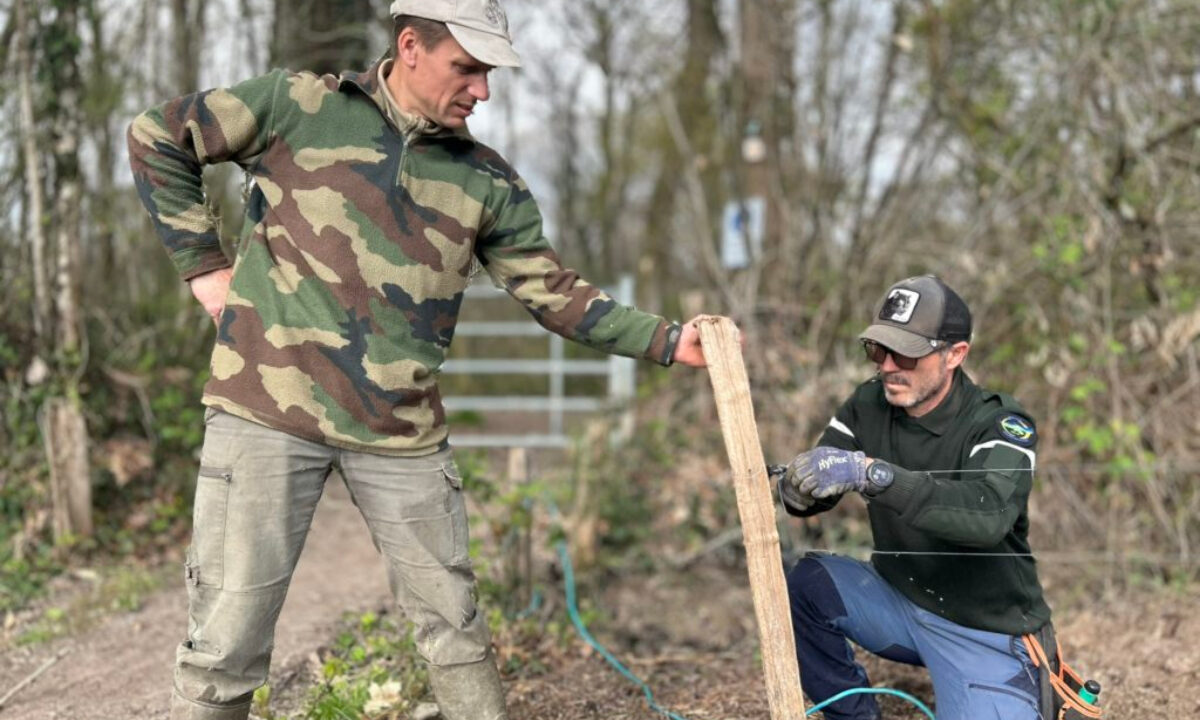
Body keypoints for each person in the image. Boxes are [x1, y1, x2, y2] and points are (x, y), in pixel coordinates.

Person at [127, 2, 716, 718]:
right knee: (226, 643)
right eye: (466, 68)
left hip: (401, 433)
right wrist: (203, 267)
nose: (483, 91)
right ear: (410, 46)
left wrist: (667, 339)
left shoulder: (487, 182)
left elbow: (553, 293)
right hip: (265, 413)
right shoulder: (299, 106)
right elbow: (158, 134)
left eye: (489, 72)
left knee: (456, 631)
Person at [776, 275, 1051, 720]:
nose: (886, 366)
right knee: (807, 584)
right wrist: (798, 487)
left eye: (905, 352)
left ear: (954, 355)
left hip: (984, 631)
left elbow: (988, 517)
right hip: (897, 602)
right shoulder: (868, 404)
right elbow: (813, 492)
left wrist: (874, 475)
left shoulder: (1000, 423)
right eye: (877, 349)